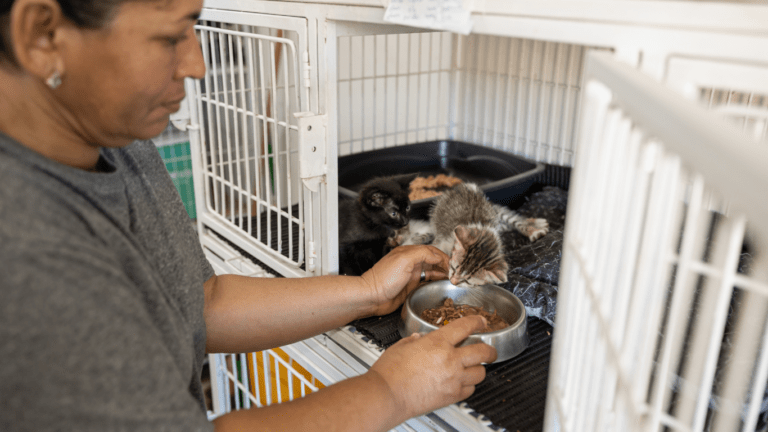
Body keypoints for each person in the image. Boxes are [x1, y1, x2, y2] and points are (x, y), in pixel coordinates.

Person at [0, 0, 498, 431]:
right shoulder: (26, 245)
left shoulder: (117, 142)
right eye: (172, 35)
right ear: (42, 34)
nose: (196, 65)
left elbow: (198, 303)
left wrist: (368, 292)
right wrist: (392, 392)